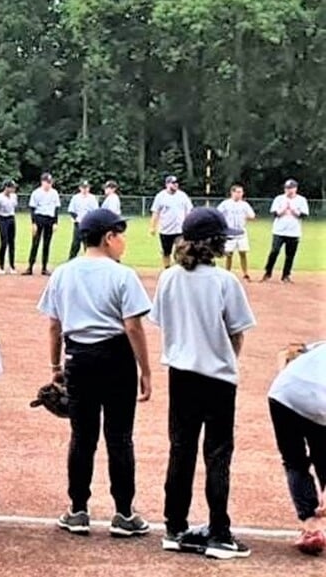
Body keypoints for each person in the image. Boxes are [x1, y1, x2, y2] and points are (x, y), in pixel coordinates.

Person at [39, 207, 154, 538]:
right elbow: (133, 326)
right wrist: (145, 370)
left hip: (79, 359)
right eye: (120, 234)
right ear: (108, 238)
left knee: (82, 436)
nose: (123, 241)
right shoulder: (122, 275)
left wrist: (56, 367)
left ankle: (77, 510)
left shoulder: (63, 272)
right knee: (119, 438)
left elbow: (54, 326)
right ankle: (124, 514)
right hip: (117, 359)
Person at [155, 206, 256, 559]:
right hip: (217, 379)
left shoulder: (168, 278)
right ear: (214, 243)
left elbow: (163, 323)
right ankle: (219, 533)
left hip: (180, 376)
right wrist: (222, 356)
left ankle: (174, 527)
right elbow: (237, 334)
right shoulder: (225, 282)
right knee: (217, 455)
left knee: (180, 450)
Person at [268, 340, 326, 556]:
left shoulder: (319, 346)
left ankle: (311, 526)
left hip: (283, 392)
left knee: (294, 461)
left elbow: (288, 354)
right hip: (319, 400)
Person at [263, 179, 309, 284]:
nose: (289, 190)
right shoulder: (279, 199)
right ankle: (268, 272)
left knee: (290, 255)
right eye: (287, 188)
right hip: (279, 231)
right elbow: (274, 213)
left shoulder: (301, 200)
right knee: (274, 251)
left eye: (291, 188)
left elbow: (304, 215)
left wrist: (293, 210)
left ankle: (286, 275)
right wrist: (283, 209)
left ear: (296, 189)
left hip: (294, 232)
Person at [151, 175, 192, 267]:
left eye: (176, 183)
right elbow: (155, 212)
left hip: (180, 230)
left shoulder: (182, 196)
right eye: (173, 183)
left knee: (181, 251)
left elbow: (188, 211)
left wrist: (189, 225)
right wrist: (152, 227)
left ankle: (179, 269)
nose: (175, 185)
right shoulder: (160, 196)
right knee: (166, 252)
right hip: (166, 230)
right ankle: (167, 269)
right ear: (167, 184)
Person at [217, 185, 255, 281]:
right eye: (237, 192)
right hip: (229, 232)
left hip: (241, 232)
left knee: (243, 252)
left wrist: (247, 216)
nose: (239, 194)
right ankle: (227, 273)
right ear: (232, 192)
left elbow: (252, 215)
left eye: (241, 192)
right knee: (229, 253)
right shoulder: (226, 204)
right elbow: (217, 213)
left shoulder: (244, 204)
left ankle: (245, 273)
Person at [26, 173, 62, 275]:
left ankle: (44, 267)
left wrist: (55, 222)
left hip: (49, 219)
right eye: (47, 182)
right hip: (39, 218)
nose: (49, 185)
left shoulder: (54, 193)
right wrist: (33, 223)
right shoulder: (36, 193)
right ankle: (30, 266)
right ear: (42, 182)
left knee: (47, 244)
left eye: (50, 183)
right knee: (35, 243)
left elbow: (56, 209)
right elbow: (32, 209)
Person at [0, 181, 19, 274]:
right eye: (11, 187)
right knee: (4, 242)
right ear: (6, 187)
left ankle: (12, 265)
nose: (13, 189)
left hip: (11, 218)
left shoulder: (14, 196)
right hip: (3, 219)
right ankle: (1, 266)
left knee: (12, 243)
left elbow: (14, 207)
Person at [67, 181, 99, 261]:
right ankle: (71, 261)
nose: (85, 189)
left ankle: (89, 261)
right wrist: (76, 218)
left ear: (89, 188)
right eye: (83, 187)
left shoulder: (92, 198)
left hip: (88, 224)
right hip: (78, 223)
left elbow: (95, 211)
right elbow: (71, 210)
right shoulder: (75, 198)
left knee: (88, 244)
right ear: (80, 188)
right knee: (75, 244)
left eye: (86, 187)